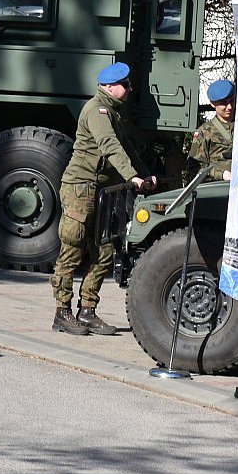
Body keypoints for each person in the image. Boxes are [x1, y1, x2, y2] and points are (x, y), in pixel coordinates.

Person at [49, 62, 155, 336]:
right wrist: (132, 177)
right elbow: (109, 146)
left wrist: (144, 175)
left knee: (105, 253)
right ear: (109, 87)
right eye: (126, 84)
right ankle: (62, 313)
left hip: (100, 191)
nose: (130, 88)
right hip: (80, 188)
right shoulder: (97, 110)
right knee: (72, 250)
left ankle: (87, 311)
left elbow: (126, 148)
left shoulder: (113, 114)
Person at [185, 79, 236, 182]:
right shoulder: (204, 132)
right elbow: (195, 166)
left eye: (232, 100)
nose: (229, 107)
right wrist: (221, 174)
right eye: (223, 103)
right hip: (218, 187)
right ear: (213, 104)